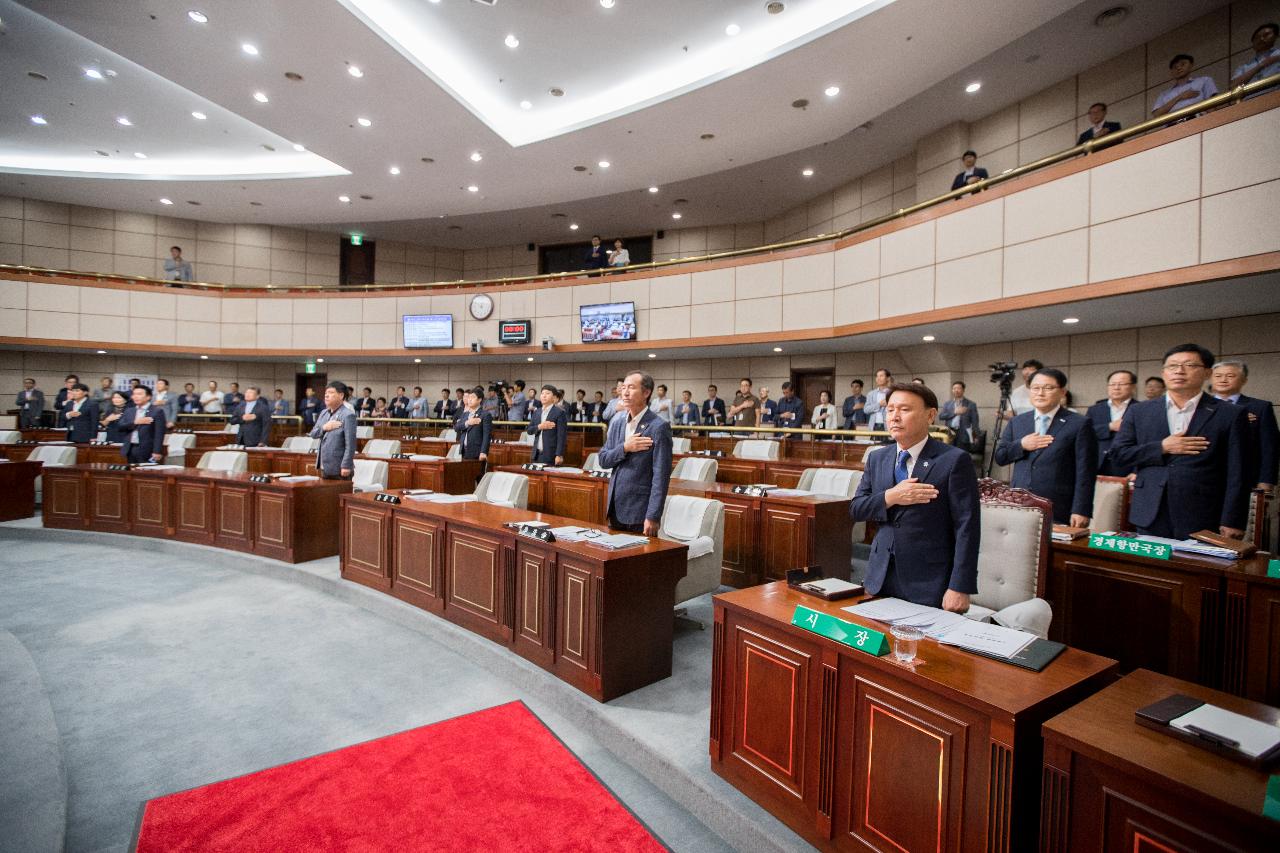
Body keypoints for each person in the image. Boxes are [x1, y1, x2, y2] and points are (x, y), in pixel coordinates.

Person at [851, 383, 980, 610]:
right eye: (890, 410)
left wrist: (960, 586)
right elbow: (857, 508)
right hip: (879, 576)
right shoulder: (877, 457)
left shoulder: (953, 460)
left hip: (929, 581)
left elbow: (967, 527)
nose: (894, 417)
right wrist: (891, 496)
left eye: (904, 410)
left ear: (930, 415)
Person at [1110, 344, 1250, 540]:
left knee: (1198, 568)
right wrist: (1162, 447)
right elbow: (1119, 454)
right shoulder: (1140, 411)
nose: (1179, 371)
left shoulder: (1230, 413)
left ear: (1207, 372)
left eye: (1189, 365)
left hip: (1204, 511)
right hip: (1150, 510)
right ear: (1164, 373)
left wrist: (1233, 519)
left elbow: (1239, 471)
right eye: (1172, 366)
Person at [994, 368, 1097, 526]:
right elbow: (1001, 456)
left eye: (1048, 388)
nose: (1040, 393)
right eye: (1035, 388)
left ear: (1062, 392)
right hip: (1019, 504)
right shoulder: (1018, 422)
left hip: (1058, 505)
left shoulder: (1079, 424)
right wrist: (1022, 444)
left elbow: (1086, 471)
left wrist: (1081, 509)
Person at [597, 371, 673, 535]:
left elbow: (661, 476)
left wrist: (653, 516)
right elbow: (603, 459)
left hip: (640, 512)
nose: (624, 392)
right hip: (615, 508)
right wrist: (625, 447)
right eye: (623, 387)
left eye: (631, 387)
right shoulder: (617, 422)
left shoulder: (658, 427)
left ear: (646, 393)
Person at [1211, 359, 1278, 491]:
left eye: (1230, 376)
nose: (1223, 380)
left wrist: (1266, 480)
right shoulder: (1198, 407)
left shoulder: (1260, 407)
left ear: (1244, 380)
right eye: (1218, 376)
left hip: (1245, 477)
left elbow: (1269, 447)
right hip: (1206, 477)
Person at [1085, 370, 1137, 476]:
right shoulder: (1095, 409)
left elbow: (1145, 441)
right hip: (1097, 464)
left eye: (1122, 384)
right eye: (1112, 384)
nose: (1116, 387)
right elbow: (1086, 433)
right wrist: (1109, 427)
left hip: (1127, 465)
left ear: (1133, 387)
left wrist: (1136, 471)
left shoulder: (1141, 409)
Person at [310, 381, 357, 480]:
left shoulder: (348, 415)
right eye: (326, 393)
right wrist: (324, 428)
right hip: (324, 465)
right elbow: (313, 434)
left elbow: (351, 444)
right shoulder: (324, 413)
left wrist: (346, 465)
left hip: (339, 468)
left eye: (331, 392)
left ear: (341, 395)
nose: (326, 395)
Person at [1152, 54, 1219, 118]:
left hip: (1200, 119)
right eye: (1175, 67)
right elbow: (1156, 114)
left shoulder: (1204, 80)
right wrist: (1180, 97)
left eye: (1183, 64)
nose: (1179, 68)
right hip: (1174, 125)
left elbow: (1212, 106)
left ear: (1191, 65)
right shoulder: (1164, 94)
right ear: (1171, 72)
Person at [118, 385, 167, 464]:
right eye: (134, 394)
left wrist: (157, 451)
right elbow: (120, 426)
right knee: (131, 473)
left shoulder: (157, 411)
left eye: (139, 394)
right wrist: (135, 422)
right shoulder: (129, 410)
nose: (135, 397)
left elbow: (159, 434)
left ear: (148, 397)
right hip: (130, 448)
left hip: (147, 450)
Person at [1231, 23, 1280, 93]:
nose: (1261, 39)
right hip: (1251, 102)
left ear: (1276, 36)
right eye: (1257, 37)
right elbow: (1233, 86)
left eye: (1266, 35)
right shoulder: (1244, 67)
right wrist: (1260, 66)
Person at [527, 384, 567, 465]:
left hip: (551, 454)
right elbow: (529, 430)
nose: (544, 396)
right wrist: (540, 426)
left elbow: (561, 436)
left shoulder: (559, 413)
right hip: (536, 454)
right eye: (542, 393)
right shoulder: (537, 412)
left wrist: (559, 454)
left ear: (554, 397)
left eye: (547, 393)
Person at [454, 386, 492, 461]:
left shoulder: (485, 415)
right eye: (469, 398)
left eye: (473, 397)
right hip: (464, 451)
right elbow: (456, 427)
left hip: (476, 452)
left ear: (479, 400)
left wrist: (483, 452)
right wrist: (468, 422)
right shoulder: (466, 414)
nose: (470, 399)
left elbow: (487, 435)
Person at [938, 381, 979, 451]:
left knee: (961, 454)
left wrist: (975, 435)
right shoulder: (947, 404)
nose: (956, 390)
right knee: (949, 454)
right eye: (954, 388)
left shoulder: (971, 404)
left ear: (963, 390)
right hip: (950, 432)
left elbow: (975, 421)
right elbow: (941, 416)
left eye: (958, 388)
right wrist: (954, 412)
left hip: (964, 433)